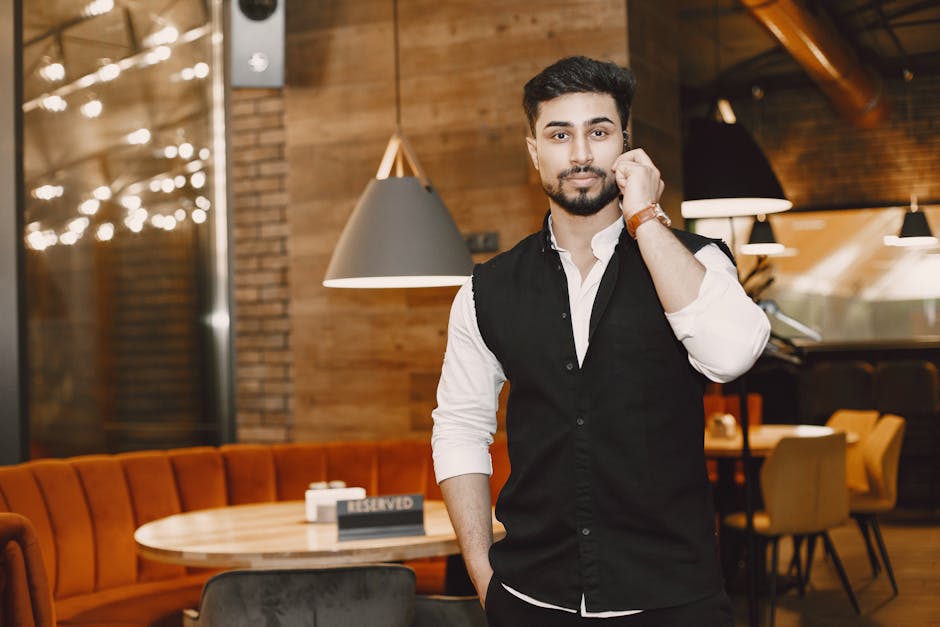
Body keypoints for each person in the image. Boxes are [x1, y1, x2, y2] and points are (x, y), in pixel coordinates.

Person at [431, 56, 770, 627]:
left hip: (673, 600)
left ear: (627, 146)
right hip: (532, 600)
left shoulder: (695, 260)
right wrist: (482, 570)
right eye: (559, 135)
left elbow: (732, 354)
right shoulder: (487, 289)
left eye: (599, 131)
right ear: (534, 151)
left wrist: (644, 219)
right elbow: (460, 426)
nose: (581, 154)